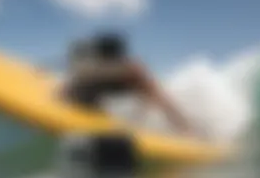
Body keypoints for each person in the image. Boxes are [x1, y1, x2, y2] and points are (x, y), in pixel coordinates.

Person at [60, 32, 197, 136]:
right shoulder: (92, 66)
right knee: (84, 91)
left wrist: (137, 124)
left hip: (127, 84)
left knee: (156, 97)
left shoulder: (132, 70)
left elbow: (158, 99)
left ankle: (188, 128)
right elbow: (74, 83)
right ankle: (185, 126)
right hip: (100, 88)